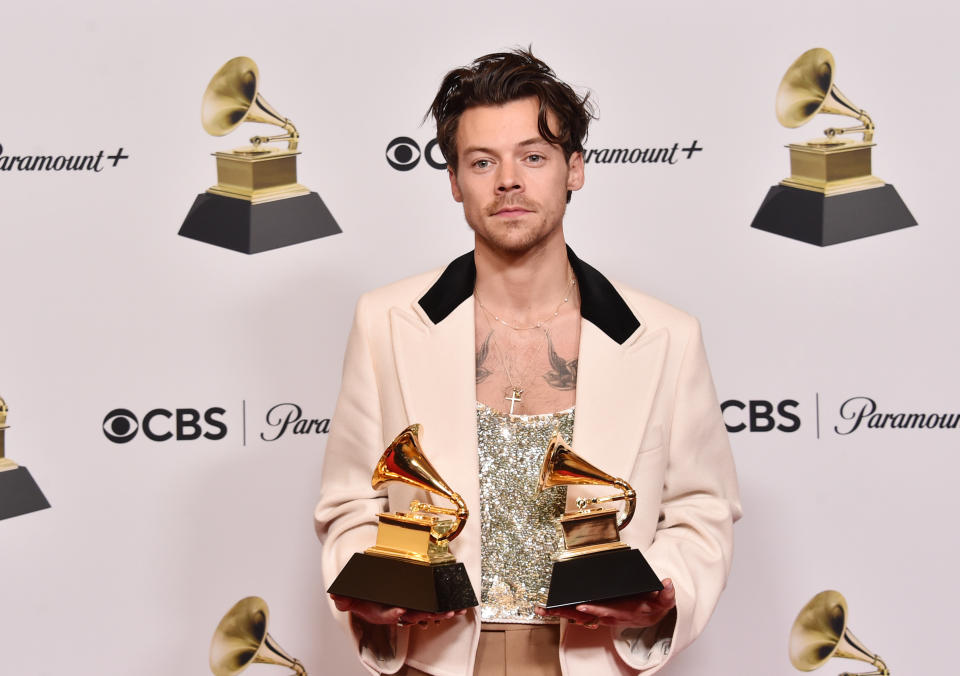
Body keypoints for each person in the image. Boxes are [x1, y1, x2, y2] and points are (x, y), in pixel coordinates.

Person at [315, 49, 741, 675]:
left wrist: (662, 591)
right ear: (455, 181)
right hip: (436, 660)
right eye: (482, 161)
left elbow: (701, 509)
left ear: (575, 170)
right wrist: (375, 591)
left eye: (532, 157)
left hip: (593, 660)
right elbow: (350, 503)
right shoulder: (386, 322)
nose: (507, 180)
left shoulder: (666, 336)